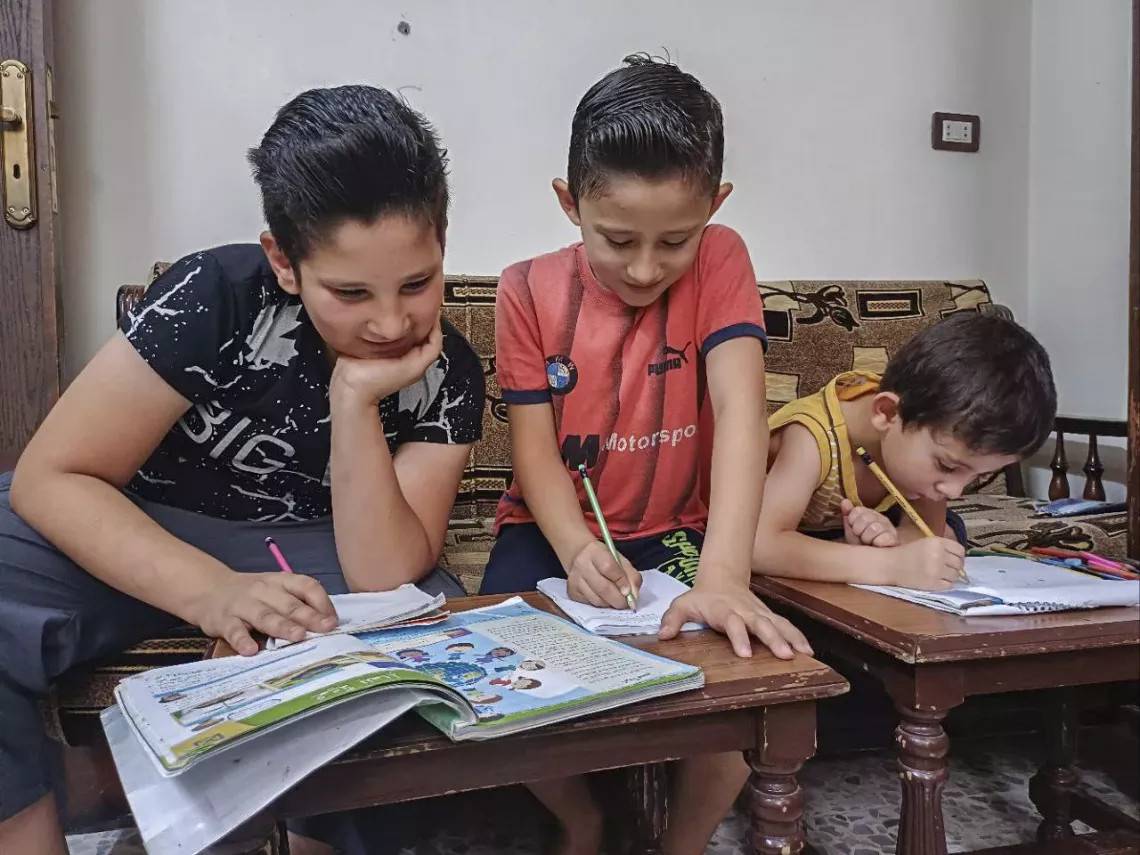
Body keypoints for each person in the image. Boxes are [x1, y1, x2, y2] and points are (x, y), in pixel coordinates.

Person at [0, 84, 484, 855]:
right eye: (349, 292)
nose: (391, 323)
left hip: (320, 552)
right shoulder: (215, 297)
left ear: (444, 240)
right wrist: (213, 592)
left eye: (417, 284)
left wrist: (355, 399)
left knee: (425, 634)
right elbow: (52, 477)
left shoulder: (448, 371)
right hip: (142, 528)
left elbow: (387, 569)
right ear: (283, 262)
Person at [478, 54, 811, 855]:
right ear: (570, 203)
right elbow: (535, 452)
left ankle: (682, 842)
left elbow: (738, 409)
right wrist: (575, 544)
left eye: (675, 241)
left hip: (677, 532)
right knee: (497, 674)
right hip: (549, 528)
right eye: (617, 238)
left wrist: (724, 577)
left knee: (740, 682)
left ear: (715, 207)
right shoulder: (523, 289)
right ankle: (581, 817)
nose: (645, 267)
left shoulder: (724, 258)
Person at [751, 312, 1056, 589]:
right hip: (778, 530)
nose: (954, 491)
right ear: (886, 413)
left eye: (979, 475)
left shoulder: (919, 452)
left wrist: (894, 543)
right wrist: (888, 565)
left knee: (946, 539)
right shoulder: (812, 437)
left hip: (850, 529)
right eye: (948, 467)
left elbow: (922, 536)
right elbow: (757, 547)